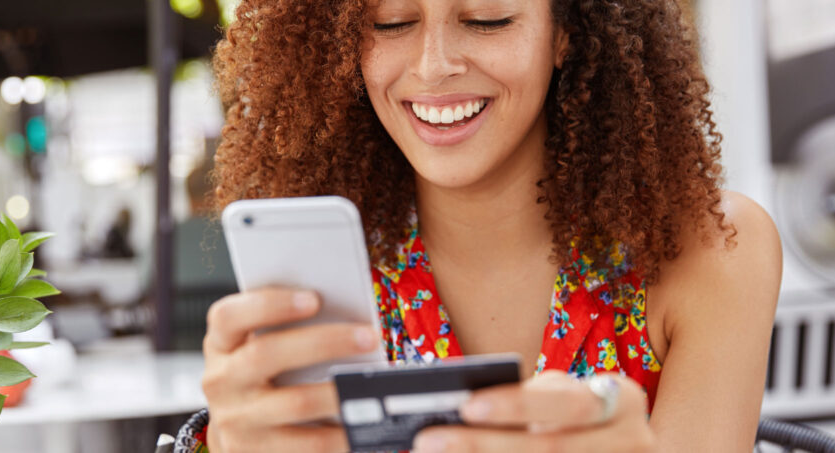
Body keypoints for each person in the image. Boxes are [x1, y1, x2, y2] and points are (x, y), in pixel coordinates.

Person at [177, 0, 783, 451]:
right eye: (391, 22)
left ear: (564, 32)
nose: (434, 67)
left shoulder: (712, 250)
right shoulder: (324, 270)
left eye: (488, 19)